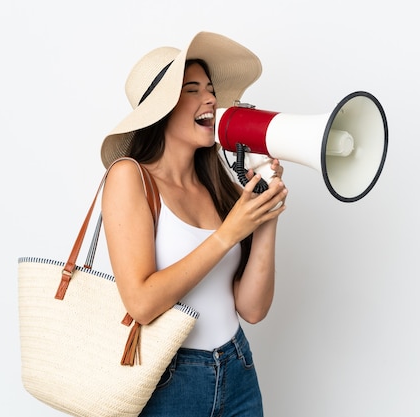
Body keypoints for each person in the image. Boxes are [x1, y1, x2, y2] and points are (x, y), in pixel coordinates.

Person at [100, 31, 288, 417]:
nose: (211, 100)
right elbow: (141, 303)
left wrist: (265, 214)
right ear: (162, 109)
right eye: (193, 89)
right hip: (171, 383)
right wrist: (228, 234)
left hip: (238, 370)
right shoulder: (131, 178)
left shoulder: (218, 185)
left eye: (211, 89)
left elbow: (252, 309)